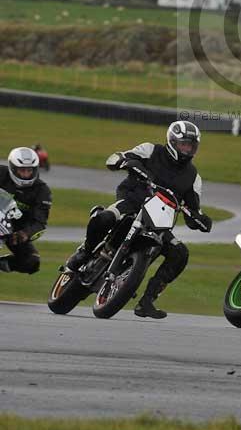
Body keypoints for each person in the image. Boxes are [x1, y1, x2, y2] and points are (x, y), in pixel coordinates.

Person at [67, 120, 212, 319]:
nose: (187, 149)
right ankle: (85, 251)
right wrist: (127, 162)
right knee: (105, 218)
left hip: (158, 221)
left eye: (191, 145)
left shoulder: (193, 177)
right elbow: (116, 158)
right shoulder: (151, 150)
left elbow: (193, 210)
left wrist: (201, 220)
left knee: (180, 253)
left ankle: (147, 301)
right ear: (172, 141)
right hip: (132, 203)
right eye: (184, 144)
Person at [0, 147, 52, 274]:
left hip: (14, 232)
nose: (26, 174)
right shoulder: (1, 173)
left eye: (30, 170)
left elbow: (40, 223)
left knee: (31, 262)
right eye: (22, 170)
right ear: (12, 168)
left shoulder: (42, 191)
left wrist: (24, 234)